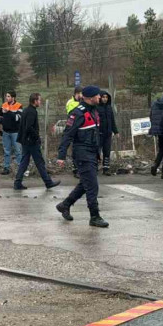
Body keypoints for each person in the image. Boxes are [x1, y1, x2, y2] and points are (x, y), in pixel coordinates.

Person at [56, 85, 108, 228]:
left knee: (85, 184)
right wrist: (61, 155)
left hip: (92, 153)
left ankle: (64, 205)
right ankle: (95, 216)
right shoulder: (77, 113)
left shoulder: (94, 111)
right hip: (82, 154)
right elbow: (67, 134)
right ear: (91, 97)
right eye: (98, 95)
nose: (100, 97)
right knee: (92, 186)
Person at [14, 93, 61, 191]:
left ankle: (17, 183)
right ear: (35, 101)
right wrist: (37, 137)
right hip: (31, 141)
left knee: (24, 162)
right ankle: (48, 182)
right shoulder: (32, 112)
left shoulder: (26, 110)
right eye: (39, 100)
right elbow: (29, 127)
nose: (40, 102)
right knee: (39, 162)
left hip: (25, 141)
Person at [0, 91, 23, 175]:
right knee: (6, 151)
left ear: (13, 98)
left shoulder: (19, 105)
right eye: (6, 96)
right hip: (6, 132)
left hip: (15, 132)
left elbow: (18, 118)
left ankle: (21, 168)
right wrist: (1, 120)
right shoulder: (4, 105)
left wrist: (8, 112)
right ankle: (6, 168)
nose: (7, 98)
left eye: (8, 96)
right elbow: (0, 115)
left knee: (18, 151)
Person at [98, 91, 119, 176]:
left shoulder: (109, 108)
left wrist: (116, 131)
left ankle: (106, 168)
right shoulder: (96, 107)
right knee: (97, 152)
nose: (105, 99)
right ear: (100, 98)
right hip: (99, 133)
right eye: (103, 97)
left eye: (106, 97)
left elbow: (112, 121)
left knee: (107, 151)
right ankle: (94, 168)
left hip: (108, 133)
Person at [65, 87, 84, 177]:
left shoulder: (82, 102)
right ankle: (76, 169)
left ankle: (79, 169)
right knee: (75, 149)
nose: (82, 95)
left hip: (82, 128)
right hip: (73, 127)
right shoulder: (71, 102)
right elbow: (73, 113)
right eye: (81, 94)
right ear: (77, 93)